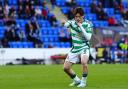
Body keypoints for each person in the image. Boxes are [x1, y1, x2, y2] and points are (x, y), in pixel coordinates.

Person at [62, 7, 93, 87]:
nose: (77, 18)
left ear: (83, 16)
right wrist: (64, 23)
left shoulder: (88, 24)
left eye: (79, 16)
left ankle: (83, 82)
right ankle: (76, 80)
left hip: (84, 47)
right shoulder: (72, 22)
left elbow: (88, 38)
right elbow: (66, 24)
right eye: (76, 16)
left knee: (84, 62)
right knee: (66, 68)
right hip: (75, 48)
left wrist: (80, 26)